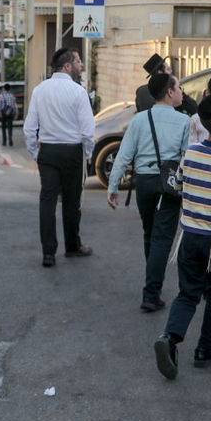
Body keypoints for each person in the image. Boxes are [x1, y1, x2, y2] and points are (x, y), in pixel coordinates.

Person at [152, 94, 211, 379]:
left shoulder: (190, 153)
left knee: (187, 293)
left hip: (189, 235)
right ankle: (205, 350)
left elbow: (179, 185)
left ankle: (170, 338)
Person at [107, 72, 190, 312]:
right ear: (169, 92)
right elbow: (186, 158)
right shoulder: (184, 122)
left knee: (149, 233)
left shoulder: (139, 120)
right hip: (169, 184)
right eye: (179, 88)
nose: (182, 92)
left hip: (143, 181)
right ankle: (151, 293)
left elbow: (123, 155)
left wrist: (113, 186)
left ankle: (152, 282)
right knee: (163, 237)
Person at [24, 48, 96, 267]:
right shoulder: (78, 92)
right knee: (72, 202)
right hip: (72, 152)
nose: (80, 66)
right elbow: (87, 130)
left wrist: (36, 153)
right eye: (77, 62)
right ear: (67, 66)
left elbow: (29, 129)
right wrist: (87, 153)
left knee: (47, 201)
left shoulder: (39, 90)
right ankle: (72, 246)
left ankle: (48, 252)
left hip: (48, 151)